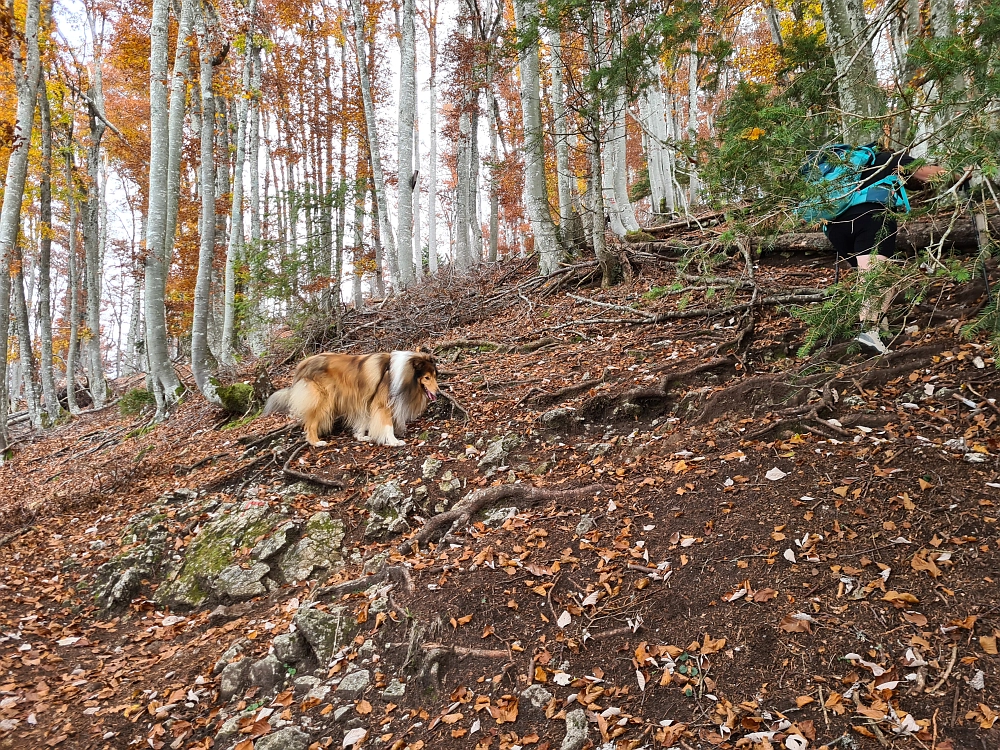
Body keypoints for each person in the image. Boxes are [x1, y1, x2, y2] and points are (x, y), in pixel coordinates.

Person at [822, 146, 948, 354]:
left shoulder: (852, 168)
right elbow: (929, 173)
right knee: (875, 278)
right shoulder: (891, 158)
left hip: (835, 227)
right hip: (871, 217)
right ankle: (869, 333)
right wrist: (963, 172)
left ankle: (881, 331)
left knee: (872, 276)